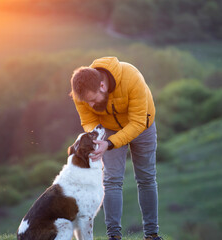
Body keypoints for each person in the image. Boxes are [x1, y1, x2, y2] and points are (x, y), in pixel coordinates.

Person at [70, 56, 162, 240]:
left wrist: (110, 143)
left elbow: (137, 122)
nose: (91, 105)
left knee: (146, 178)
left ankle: (151, 234)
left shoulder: (132, 77)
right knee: (112, 181)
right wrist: (98, 137)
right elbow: (88, 120)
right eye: (86, 102)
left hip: (142, 125)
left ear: (102, 87)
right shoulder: (81, 91)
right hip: (108, 129)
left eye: (93, 100)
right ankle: (114, 236)